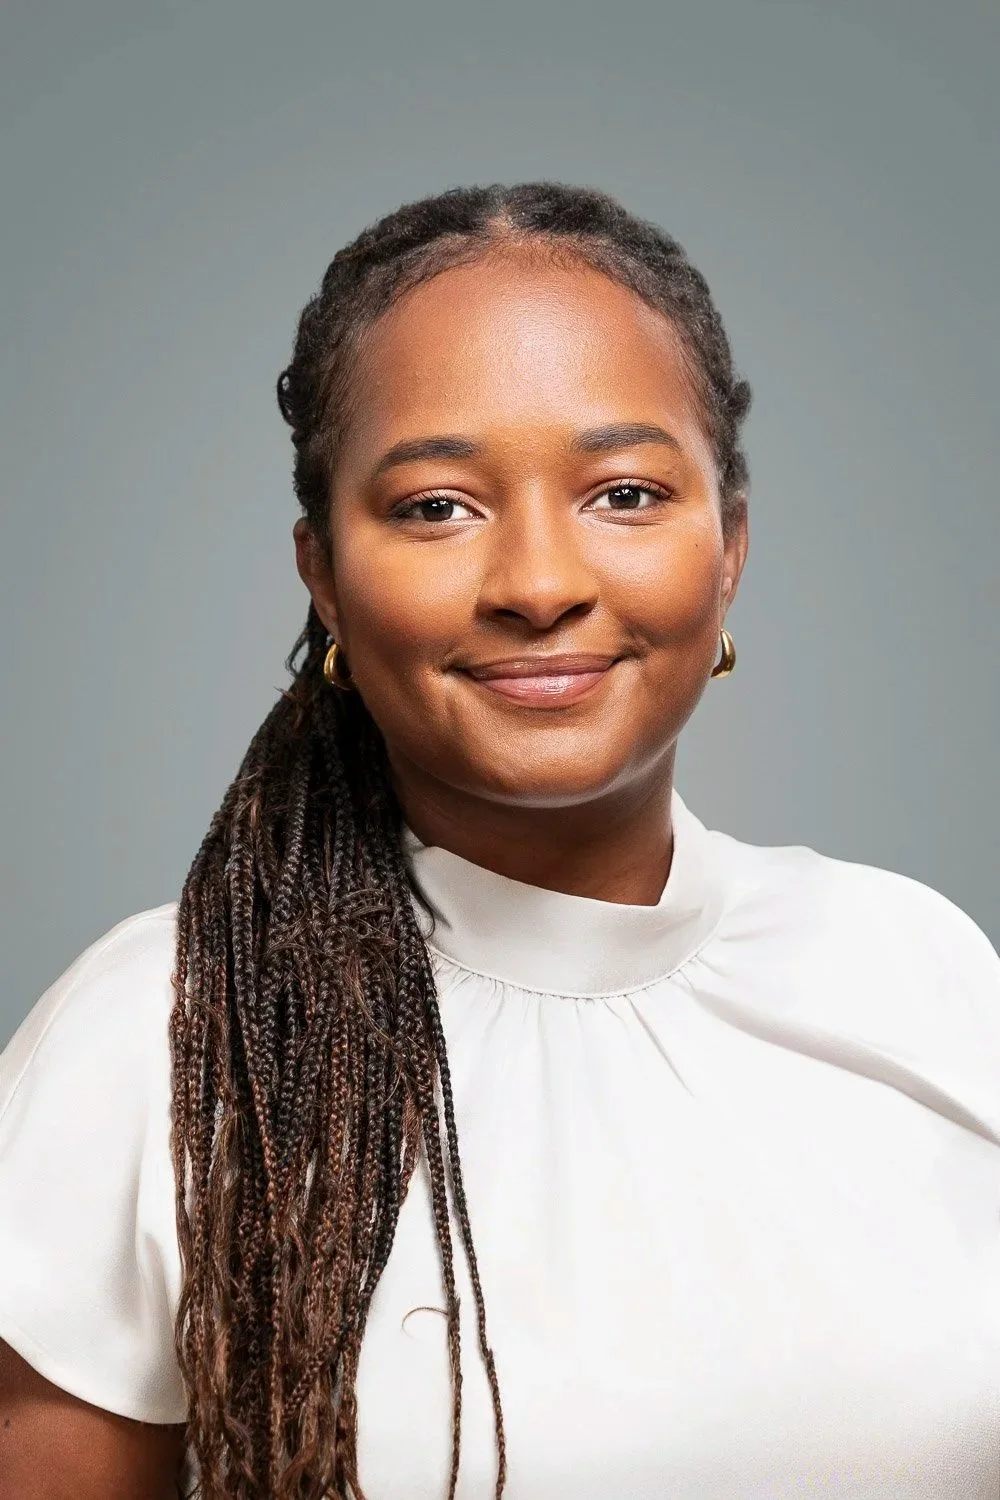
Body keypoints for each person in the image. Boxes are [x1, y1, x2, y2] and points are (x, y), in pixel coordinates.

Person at [0, 183, 997, 1500]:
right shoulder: (163, 1036)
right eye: (436, 507)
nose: (539, 583)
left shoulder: (919, 965)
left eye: (627, 492)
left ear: (732, 545)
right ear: (323, 574)